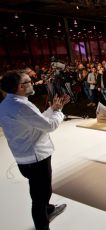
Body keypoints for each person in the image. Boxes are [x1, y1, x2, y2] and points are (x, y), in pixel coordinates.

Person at [0, 70, 69, 230]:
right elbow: (49, 125)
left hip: (24, 158)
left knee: (42, 191)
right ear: (21, 87)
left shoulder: (6, 104)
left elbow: (37, 121)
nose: (33, 82)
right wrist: (58, 112)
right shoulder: (22, 106)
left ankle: (48, 209)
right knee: (39, 196)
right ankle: (42, 225)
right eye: (29, 81)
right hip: (36, 158)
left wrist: (52, 109)